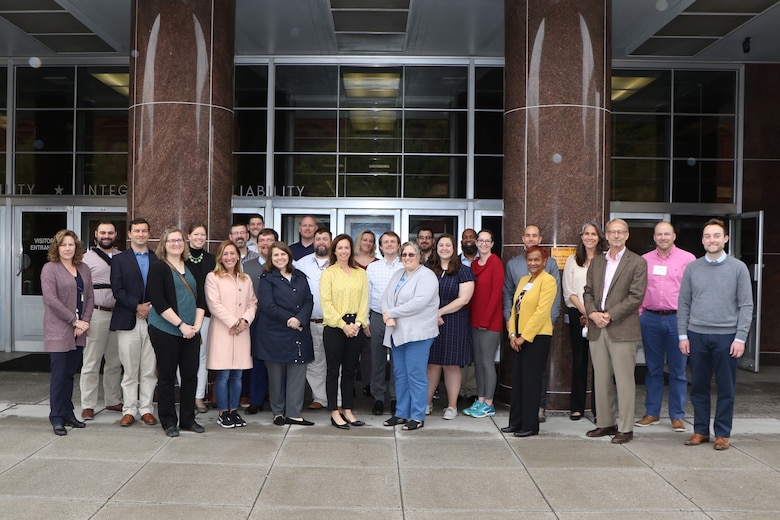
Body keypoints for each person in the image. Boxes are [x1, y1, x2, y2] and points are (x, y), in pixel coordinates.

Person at [678, 218, 753, 451]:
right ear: (702, 240)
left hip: (727, 337)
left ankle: (722, 434)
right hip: (697, 334)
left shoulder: (738, 268)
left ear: (725, 239)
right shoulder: (693, 268)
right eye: (708, 236)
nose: (712, 240)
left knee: (725, 388)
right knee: (699, 386)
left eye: (717, 235)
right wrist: (683, 335)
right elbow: (684, 304)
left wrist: (740, 338)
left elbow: (746, 305)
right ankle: (700, 431)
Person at [583, 218, 647, 444]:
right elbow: (588, 292)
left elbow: (636, 296)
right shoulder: (598, 262)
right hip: (597, 328)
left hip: (621, 328)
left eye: (621, 232)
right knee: (601, 379)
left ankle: (626, 427)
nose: (616, 235)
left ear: (627, 235)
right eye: (612, 232)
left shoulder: (637, 262)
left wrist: (609, 315)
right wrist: (592, 313)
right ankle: (606, 423)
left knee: (624, 380)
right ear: (606, 236)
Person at [147, 227, 207, 437]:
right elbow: (159, 301)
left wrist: (196, 327)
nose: (176, 243)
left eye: (179, 240)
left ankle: (188, 420)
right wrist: (181, 325)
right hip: (166, 330)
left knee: (190, 375)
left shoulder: (192, 267)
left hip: (191, 331)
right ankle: (169, 421)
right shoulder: (158, 268)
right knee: (167, 376)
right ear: (164, 244)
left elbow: (201, 299)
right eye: (171, 240)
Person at [636, 222, 696, 432]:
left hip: (677, 320)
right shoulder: (645, 260)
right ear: (654, 237)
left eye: (667, 234)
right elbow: (639, 289)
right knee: (653, 369)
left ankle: (677, 416)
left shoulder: (688, 259)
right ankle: (652, 412)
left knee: (678, 370)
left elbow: (693, 291)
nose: (663, 237)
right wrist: (641, 314)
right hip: (650, 319)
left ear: (674, 236)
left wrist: (688, 320)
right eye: (659, 234)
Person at [503, 225, 561, 423]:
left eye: (537, 260)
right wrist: (512, 335)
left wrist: (523, 337)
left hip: (536, 337)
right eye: (530, 260)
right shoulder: (524, 280)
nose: (533, 263)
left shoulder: (548, 281)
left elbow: (541, 312)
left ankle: (529, 424)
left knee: (531, 382)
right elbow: (514, 308)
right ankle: (516, 422)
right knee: (518, 381)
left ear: (544, 261)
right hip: (518, 337)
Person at [254, 241, 316, 426]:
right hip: (274, 333)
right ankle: (278, 412)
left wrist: (300, 319)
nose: (280, 258)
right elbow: (268, 305)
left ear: (289, 256)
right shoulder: (266, 278)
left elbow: (308, 301)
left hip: (298, 332)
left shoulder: (300, 276)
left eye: (283, 254)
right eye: (276, 255)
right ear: (270, 259)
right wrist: (291, 320)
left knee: (297, 373)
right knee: (276, 376)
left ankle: (294, 413)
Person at [381, 241, 440, 430]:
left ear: (419, 256)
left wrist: (392, 313)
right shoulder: (398, 274)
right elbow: (385, 298)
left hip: (418, 335)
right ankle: (401, 413)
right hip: (398, 333)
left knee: (415, 375)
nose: (407, 258)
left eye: (411, 255)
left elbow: (418, 303)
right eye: (404, 255)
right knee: (400, 375)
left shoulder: (427, 276)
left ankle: (417, 416)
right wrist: (386, 313)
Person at [41, 229, 94, 436]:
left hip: (79, 329)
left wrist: (85, 322)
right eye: (63, 245)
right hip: (59, 329)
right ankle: (56, 417)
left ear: (76, 247)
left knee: (70, 374)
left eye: (71, 244)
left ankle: (68, 413)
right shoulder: (50, 269)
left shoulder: (84, 268)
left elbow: (89, 297)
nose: (67, 248)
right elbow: (51, 300)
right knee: (59, 375)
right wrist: (74, 321)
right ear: (57, 247)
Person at [110, 218, 159, 428]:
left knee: (149, 369)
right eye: (136, 231)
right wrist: (137, 306)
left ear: (149, 234)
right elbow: (117, 290)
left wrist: (150, 309)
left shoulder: (158, 258)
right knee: (130, 370)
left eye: (144, 231)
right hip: (128, 319)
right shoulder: (119, 260)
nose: (140, 234)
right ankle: (129, 409)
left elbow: (164, 289)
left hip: (154, 320)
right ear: (129, 234)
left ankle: (146, 409)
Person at [206, 240, 257, 429]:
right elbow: (214, 304)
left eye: (232, 253)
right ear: (220, 257)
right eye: (225, 254)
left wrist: (244, 321)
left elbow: (253, 303)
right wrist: (234, 322)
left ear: (238, 256)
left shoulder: (246, 279)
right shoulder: (213, 277)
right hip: (223, 331)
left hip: (242, 332)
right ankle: (222, 412)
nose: (229, 257)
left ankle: (234, 411)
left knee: (237, 375)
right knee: (223, 375)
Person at [320, 234, 369, 429]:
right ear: (335, 250)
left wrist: (357, 324)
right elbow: (326, 303)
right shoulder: (328, 273)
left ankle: (348, 409)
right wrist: (343, 325)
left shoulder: (360, 273)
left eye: (346, 248)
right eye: (339, 248)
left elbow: (364, 301)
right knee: (333, 371)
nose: (343, 251)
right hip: (334, 328)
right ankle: (334, 411)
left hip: (355, 327)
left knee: (350, 371)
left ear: (351, 250)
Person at [426, 234, 475, 420]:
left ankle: (452, 406)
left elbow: (464, 299)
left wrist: (440, 312)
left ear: (454, 248)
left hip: (454, 321)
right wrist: (432, 313)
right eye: (441, 245)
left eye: (448, 245)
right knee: (432, 364)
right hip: (430, 321)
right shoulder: (428, 268)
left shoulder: (463, 271)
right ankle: (427, 403)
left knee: (451, 365)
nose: (444, 248)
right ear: (436, 247)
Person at [562, 221, 607, 420]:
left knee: (600, 363)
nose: (590, 237)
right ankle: (577, 406)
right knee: (579, 361)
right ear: (581, 237)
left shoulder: (606, 260)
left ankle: (600, 409)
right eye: (586, 233)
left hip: (601, 316)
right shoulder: (572, 260)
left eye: (594, 234)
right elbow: (569, 292)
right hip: (577, 314)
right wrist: (585, 312)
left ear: (599, 238)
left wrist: (594, 314)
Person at [79, 221, 123, 420]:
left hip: (120, 314)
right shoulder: (85, 259)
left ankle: (113, 400)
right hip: (96, 313)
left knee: (115, 361)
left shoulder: (123, 257)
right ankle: (88, 404)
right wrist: (83, 318)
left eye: (110, 233)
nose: (107, 236)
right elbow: (79, 290)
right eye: (103, 232)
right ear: (95, 234)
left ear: (116, 234)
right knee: (91, 361)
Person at [464, 229, 504, 418]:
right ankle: (479, 400)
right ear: (477, 243)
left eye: (488, 241)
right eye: (481, 240)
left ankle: (489, 403)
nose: (484, 244)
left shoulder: (495, 263)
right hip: (475, 320)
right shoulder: (473, 266)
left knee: (487, 362)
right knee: (478, 363)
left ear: (492, 243)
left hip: (490, 322)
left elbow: (496, 295)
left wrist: (486, 320)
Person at [366, 231, 403, 415]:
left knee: (398, 360)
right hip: (378, 317)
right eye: (385, 242)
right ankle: (378, 398)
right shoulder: (372, 268)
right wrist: (365, 321)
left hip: (400, 319)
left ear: (398, 245)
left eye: (392, 242)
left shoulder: (406, 265)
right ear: (380, 247)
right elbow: (367, 295)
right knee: (378, 360)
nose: (389, 245)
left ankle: (395, 398)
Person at [296, 228, 333, 410]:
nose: (321, 242)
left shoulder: (338, 263)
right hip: (311, 322)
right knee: (315, 362)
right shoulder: (302, 264)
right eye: (318, 239)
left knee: (335, 363)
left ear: (331, 242)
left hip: (334, 323)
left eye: (325, 239)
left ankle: (338, 400)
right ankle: (320, 398)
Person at [187, 223, 216, 414]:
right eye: (196, 234)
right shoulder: (179, 258)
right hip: (182, 315)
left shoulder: (212, 259)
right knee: (183, 357)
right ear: (188, 235)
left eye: (202, 234)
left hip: (204, 313)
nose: (199, 237)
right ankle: (186, 396)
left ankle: (198, 397)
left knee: (202, 357)